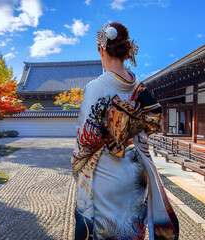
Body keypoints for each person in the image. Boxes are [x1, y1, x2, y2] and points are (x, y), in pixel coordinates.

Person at [71, 22, 179, 240]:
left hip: (107, 175)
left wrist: (77, 161)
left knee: (108, 232)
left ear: (101, 48)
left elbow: (86, 140)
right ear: (128, 51)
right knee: (133, 228)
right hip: (136, 170)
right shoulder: (138, 86)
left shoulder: (96, 87)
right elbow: (150, 121)